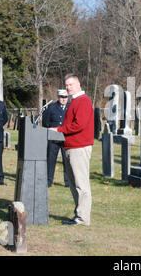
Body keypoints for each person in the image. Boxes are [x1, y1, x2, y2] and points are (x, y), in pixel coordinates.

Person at [50, 74, 94, 226]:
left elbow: (79, 125)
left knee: (81, 184)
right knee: (74, 184)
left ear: (79, 84)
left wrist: (59, 130)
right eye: (66, 85)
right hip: (70, 146)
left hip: (79, 147)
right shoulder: (74, 101)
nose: (68, 87)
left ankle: (83, 219)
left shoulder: (83, 101)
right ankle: (79, 216)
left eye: (71, 84)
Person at [42, 89, 70, 187]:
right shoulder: (52, 107)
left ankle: (68, 181)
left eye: (65, 97)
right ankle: (49, 181)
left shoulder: (70, 107)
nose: (63, 99)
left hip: (66, 137)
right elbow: (45, 121)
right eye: (62, 97)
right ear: (58, 97)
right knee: (51, 159)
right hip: (53, 138)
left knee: (66, 160)